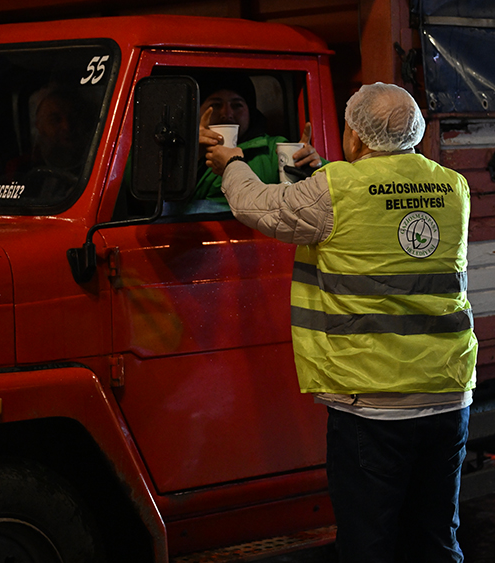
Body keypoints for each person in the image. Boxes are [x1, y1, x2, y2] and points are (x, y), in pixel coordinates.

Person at [205, 82, 478, 562]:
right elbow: (381, 204)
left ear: (355, 134)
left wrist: (231, 162)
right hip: (447, 393)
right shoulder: (452, 185)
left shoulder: (337, 189)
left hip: (372, 402)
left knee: (368, 543)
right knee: (435, 538)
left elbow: (258, 206)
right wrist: (325, 171)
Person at [172, 72, 323, 214]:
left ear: (250, 111)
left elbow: (330, 191)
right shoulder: (180, 148)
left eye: (237, 105)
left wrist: (313, 166)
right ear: (198, 111)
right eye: (216, 105)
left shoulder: (272, 149)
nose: (227, 114)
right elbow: (163, 204)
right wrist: (189, 155)